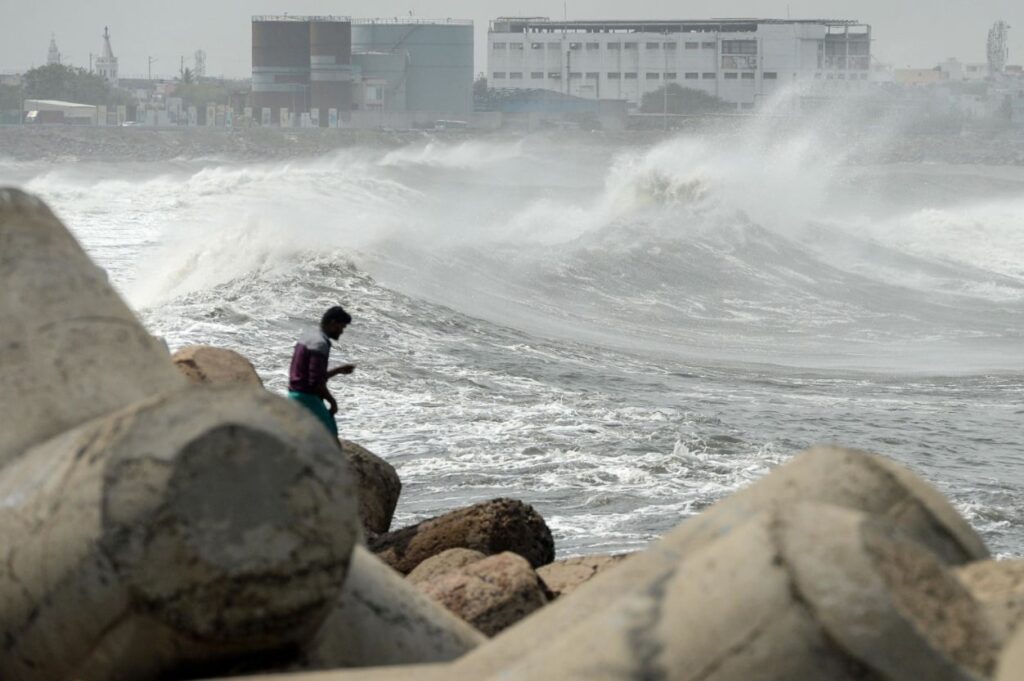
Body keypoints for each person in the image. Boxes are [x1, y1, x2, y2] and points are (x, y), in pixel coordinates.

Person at [287, 306, 355, 436]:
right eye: (342, 327)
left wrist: (338, 370)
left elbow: (311, 376)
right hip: (307, 397)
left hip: (293, 394)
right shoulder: (320, 344)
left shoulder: (307, 338)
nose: (342, 331)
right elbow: (316, 383)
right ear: (333, 323)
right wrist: (332, 402)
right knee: (330, 435)